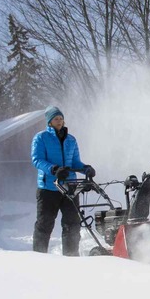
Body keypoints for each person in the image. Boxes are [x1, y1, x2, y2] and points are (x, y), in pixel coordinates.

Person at [31, 105, 96, 256]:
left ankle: (71, 256)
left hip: (70, 188)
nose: (59, 121)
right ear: (49, 122)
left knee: (72, 224)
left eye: (61, 118)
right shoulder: (41, 138)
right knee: (44, 224)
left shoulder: (71, 140)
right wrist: (54, 169)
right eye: (56, 119)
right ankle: (38, 257)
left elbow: (75, 162)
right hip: (48, 188)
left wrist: (85, 168)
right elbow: (37, 160)